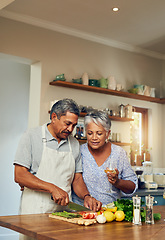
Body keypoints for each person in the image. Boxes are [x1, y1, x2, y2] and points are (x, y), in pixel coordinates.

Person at [14, 99, 102, 218]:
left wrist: (86, 196)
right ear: (54, 117)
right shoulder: (31, 136)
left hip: (63, 212)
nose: (71, 129)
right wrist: (52, 188)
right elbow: (20, 175)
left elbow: (77, 179)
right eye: (67, 123)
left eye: (74, 125)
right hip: (33, 210)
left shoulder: (74, 144)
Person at [72, 110, 138, 206]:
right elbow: (76, 181)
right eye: (90, 133)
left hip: (110, 214)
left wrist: (117, 182)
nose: (94, 138)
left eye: (99, 133)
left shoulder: (119, 153)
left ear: (107, 133)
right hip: (82, 212)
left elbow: (132, 187)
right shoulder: (79, 151)